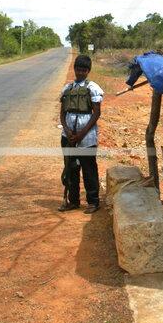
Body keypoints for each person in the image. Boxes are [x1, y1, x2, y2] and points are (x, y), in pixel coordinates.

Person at [58, 54, 103, 213]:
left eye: (84, 70)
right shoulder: (68, 89)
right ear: (74, 69)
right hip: (68, 135)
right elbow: (62, 113)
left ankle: (93, 202)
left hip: (87, 137)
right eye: (78, 69)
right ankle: (73, 200)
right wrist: (68, 131)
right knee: (71, 168)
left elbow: (96, 113)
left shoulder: (93, 88)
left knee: (89, 168)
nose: (81, 72)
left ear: (88, 71)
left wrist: (81, 134)